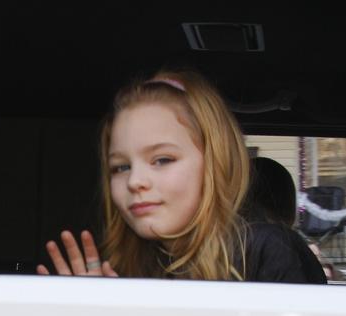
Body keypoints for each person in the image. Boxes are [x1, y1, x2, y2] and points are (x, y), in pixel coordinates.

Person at [36, 69, 324, 284]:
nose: (135, 181)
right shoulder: (124, 266)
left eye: (162, 160)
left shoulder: (266, 251)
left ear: (214, 164)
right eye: (120, 167)